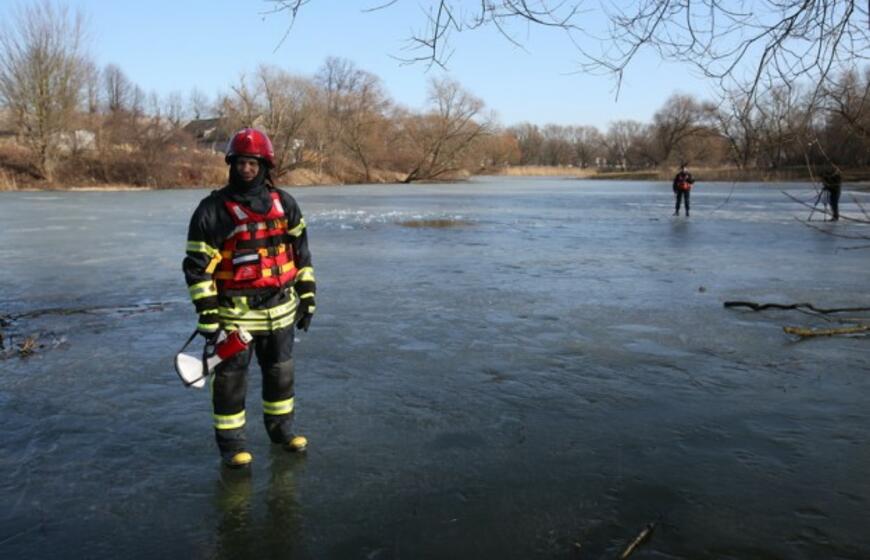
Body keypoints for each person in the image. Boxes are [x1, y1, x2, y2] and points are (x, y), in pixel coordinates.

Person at [183, 128, 316, 468]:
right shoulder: (212, 210)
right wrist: (208, 314)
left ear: (264, 165)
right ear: (231, 164)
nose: (246, 169)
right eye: (240, 162)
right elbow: (196, 267)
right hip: (234, 318)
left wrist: (308, 296)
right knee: (230, 383)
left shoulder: (285, 204)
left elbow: (301, 255)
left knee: (280, 376)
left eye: (252, 163)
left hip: (281, 312)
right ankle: (232, 446)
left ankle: (282, 431)